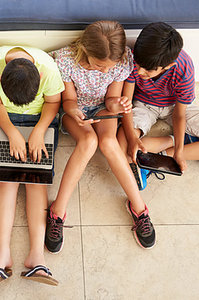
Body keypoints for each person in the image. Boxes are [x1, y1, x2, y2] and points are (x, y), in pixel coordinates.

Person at [48, 20, 156, 251]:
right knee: (89, 141)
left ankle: (138, 207)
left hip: (104, 109)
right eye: (100, 66)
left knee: (108, 142)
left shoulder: (123, 59)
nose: (106, 71)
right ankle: (57, 211)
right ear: (86, 51)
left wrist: (118, 105)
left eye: (110, 66)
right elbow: (68, 101)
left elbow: (110, 99)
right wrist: (75, 112)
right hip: (75, 111)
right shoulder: (66, 61)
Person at [117, 22, 199, 190]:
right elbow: (126, 101)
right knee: (120, 149)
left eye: (148, 70)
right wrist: (133, 138)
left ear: (168, 66)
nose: (140, 72)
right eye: (139, 66)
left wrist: (178, 151)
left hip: (176, 107)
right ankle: (185, 142)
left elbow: (179, 114)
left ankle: (163, 154)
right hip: (143, 104)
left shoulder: (184, 68)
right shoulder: (135, 56)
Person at [0, 45, 64, 288]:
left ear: (41, 77)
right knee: (6, 182)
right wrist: (12, 133)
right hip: (6, 119)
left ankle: (37, 255)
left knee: (37, 182)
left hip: (40, 120)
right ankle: (3, 254)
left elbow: (54, 102)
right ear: (1, 78)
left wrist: (39, 131)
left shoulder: (48, 68)